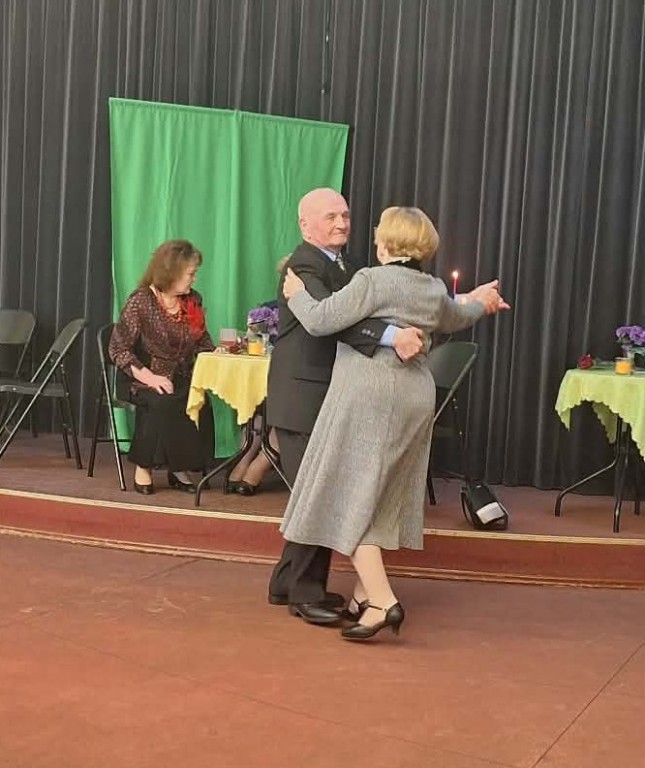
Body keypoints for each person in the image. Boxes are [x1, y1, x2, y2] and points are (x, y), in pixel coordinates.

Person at [279, 206, 509, 640]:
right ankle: (363, 597)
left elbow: (321, 320)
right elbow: (457, 317)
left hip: (371, 397)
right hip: (415, 396)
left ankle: (383, 602)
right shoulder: (432, 288)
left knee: (351, 498)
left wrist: (296, 294)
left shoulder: (372, 279)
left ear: (385, 243)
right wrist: (482, 302)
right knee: (383, 497)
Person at [266, 188, 426, 625]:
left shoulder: (345, 265)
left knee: (314, 492)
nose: (341, 223)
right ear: (305, 225)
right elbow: (330, 319)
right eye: (330, 217)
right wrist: (392, 337)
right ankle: (305, 593)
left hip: (327, 397)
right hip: (304, 397)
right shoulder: (305, 265)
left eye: (345, 215)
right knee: (319, 495)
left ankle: (285, 583)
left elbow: (357, 314)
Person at [109, 239, 216, 495]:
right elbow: (118, 349)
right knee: (161, 399)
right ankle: (143, 467)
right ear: (172, 273)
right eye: (190, 274)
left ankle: (179, 468)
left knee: (197, 399)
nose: (194, 279)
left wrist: (216, 354)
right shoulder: (142, 301)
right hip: (141, 374)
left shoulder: (192, 300)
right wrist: (150, 377)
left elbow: (202, 340)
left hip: (181, 374)